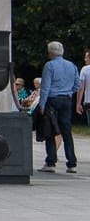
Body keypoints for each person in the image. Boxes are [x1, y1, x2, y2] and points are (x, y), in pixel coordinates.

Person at [38, 41, 78, 173]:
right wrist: (68, 92)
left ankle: (51, 162)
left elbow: (45, 87)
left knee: (50, 131)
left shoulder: (49, 66)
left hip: (52, 100)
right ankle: (71, 163)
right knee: (67, 131)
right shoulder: (71, 65)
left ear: (50, 52)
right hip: (67, 100)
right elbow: (77, 85)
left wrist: (42, 104)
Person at [77, 50, 90, 127]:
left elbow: (81, 88)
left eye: (86, 57)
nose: (85, 59)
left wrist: (78, 103)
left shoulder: (85, 69)